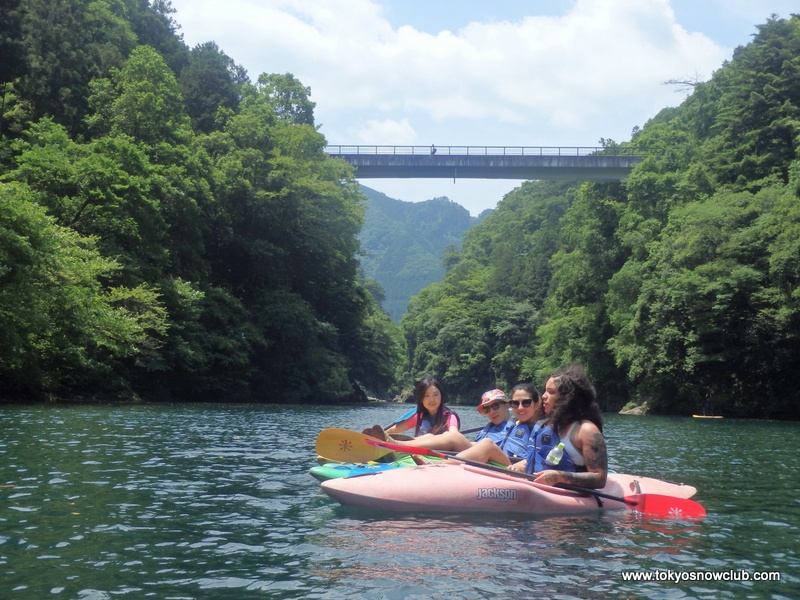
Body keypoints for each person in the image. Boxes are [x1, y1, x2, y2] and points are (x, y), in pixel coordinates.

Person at [524, 364, 607, 489]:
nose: (543, 396)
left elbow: (600, 478)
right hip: (536, 488)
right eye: (545, 391)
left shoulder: (586, 430)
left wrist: (559, 476)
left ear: (568, 398)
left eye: (551, 392)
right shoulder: (547, 425)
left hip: (569, 495)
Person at [373, 388, 513, 453]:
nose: (492, 411)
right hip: (479, 453)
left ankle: (397, 445)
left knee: (451, 435)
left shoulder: (517, 428)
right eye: (487, 409)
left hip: (495, 459)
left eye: (495, 406)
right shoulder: (488, 429)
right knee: (428, 436)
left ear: (507, 405)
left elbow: (519, 458)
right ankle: (389, 441)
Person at [454, 383, 541, 472]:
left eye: (526, 403)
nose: (520, 407)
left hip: (512, 469)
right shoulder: (512, 425)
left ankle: (450, 464)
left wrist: (523, 464)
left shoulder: (540, 430)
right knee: (455, 437)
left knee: (487, 444)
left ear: (536, 404)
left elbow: (542, 457)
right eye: (515, 403)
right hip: (497, 463)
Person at [378, 374, 460, 438]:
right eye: (427, 396)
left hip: (440, 450)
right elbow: (393, 430)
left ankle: (401, 443)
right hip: (421, 449)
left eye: (435, 395)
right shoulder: (419, 416)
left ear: (441, 396)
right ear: (421, 399)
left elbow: (454, 435)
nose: (432, 399)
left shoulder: (449, 416)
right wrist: (380, 435)